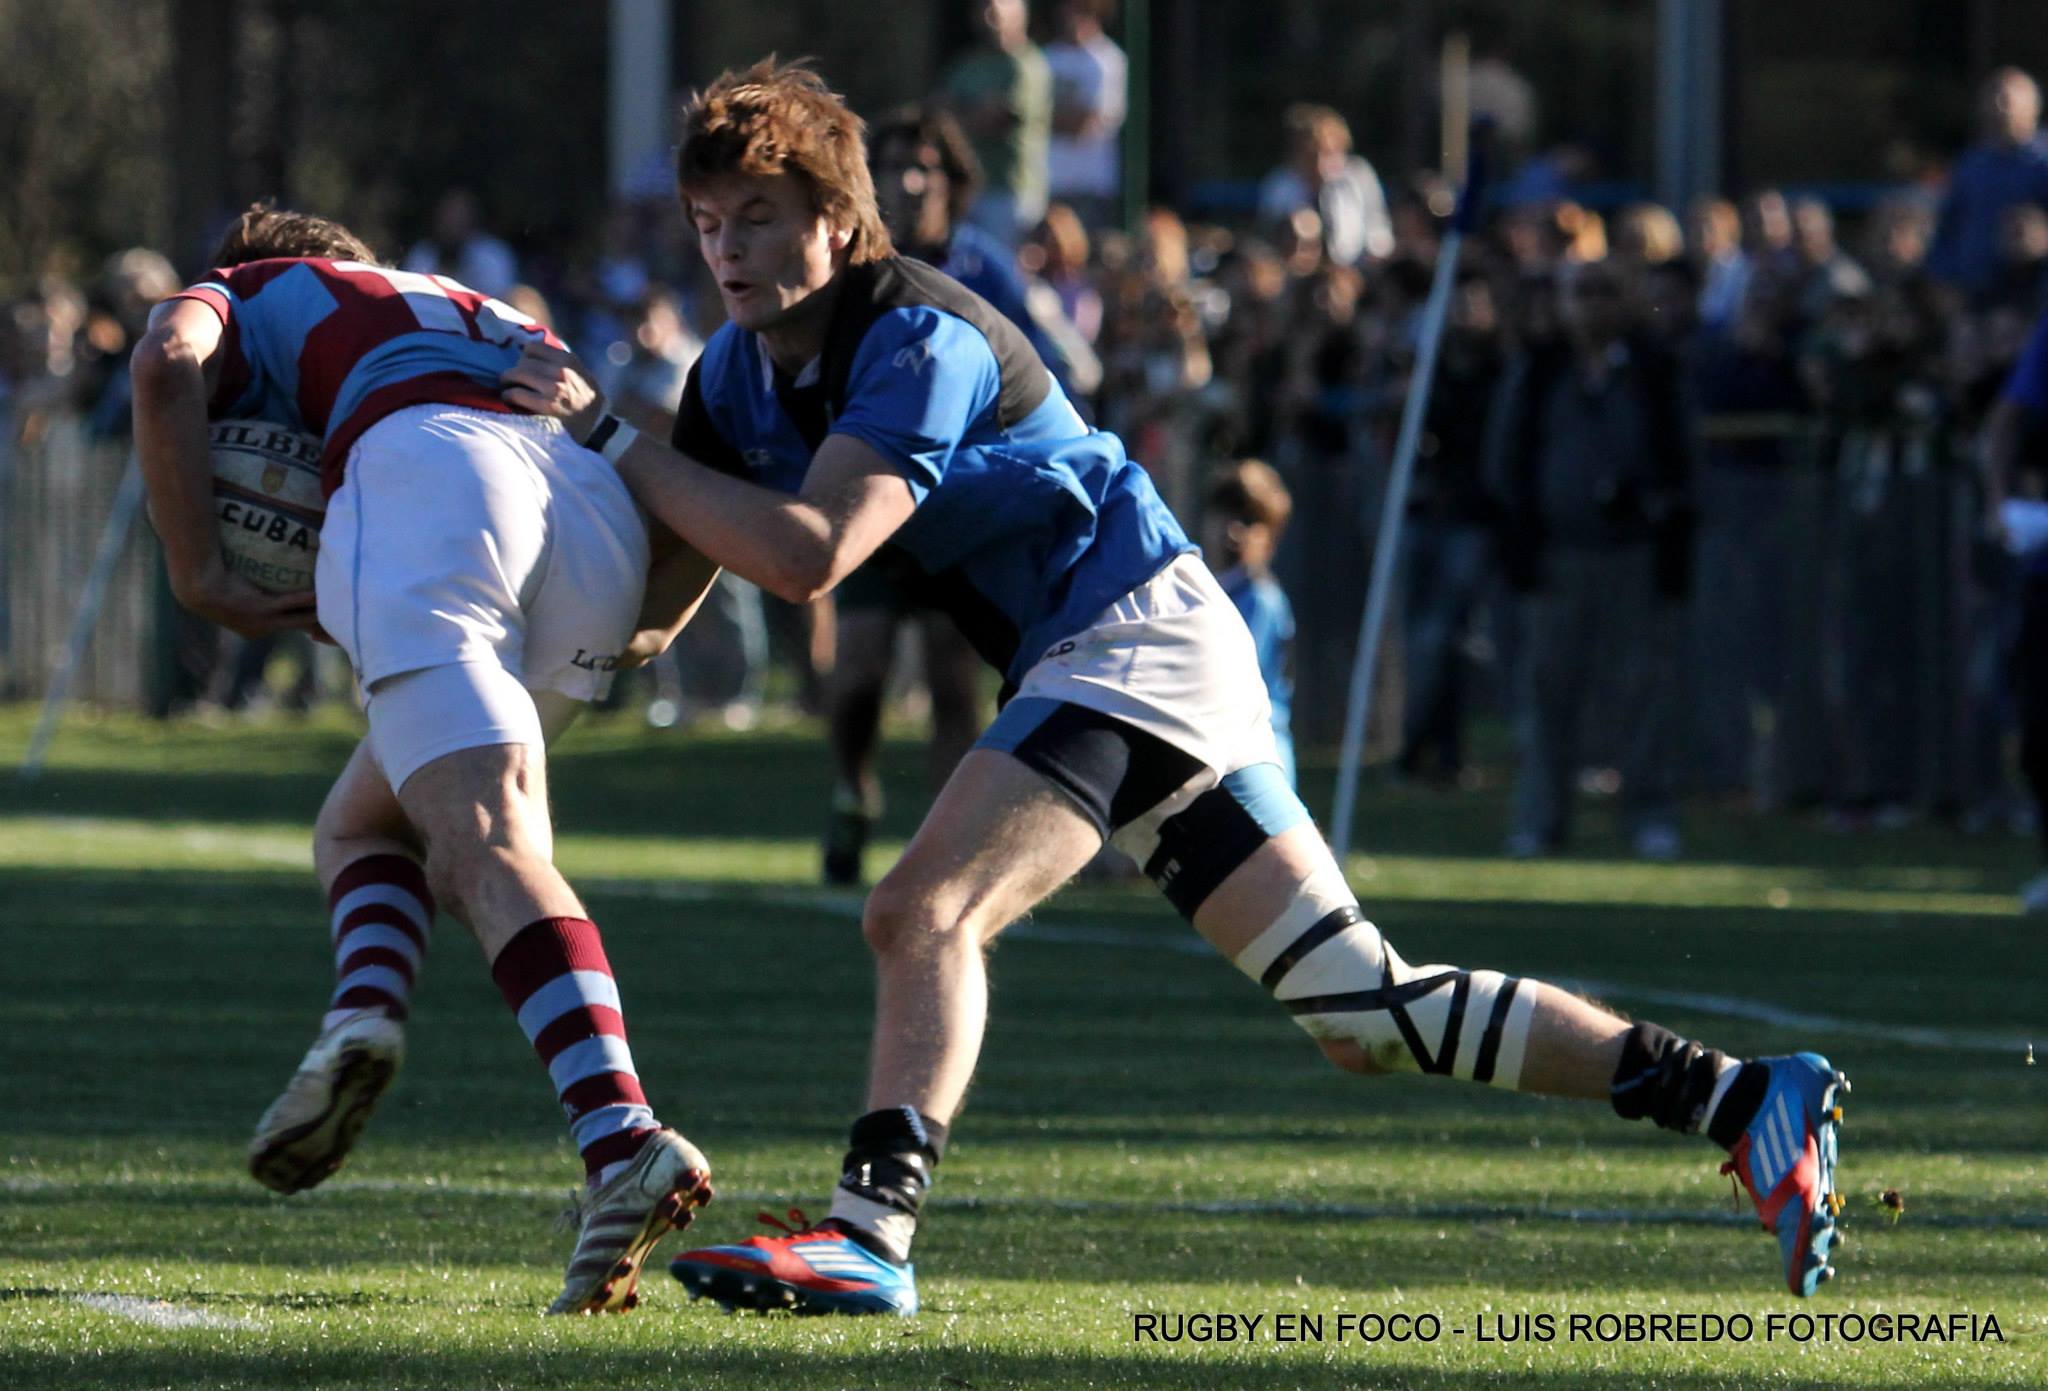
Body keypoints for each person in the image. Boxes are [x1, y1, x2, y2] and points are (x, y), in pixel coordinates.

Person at [503, 58, 1850, 1316]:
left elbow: (808, 554)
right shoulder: (735, 369)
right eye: (706, 221)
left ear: (841, 223)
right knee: (1366, 1012)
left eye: (757, 215)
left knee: (925, 907)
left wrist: (613, 430)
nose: (726, 248)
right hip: (1127, 651)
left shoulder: (919, 333)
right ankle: (1740, 1097)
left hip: (1131, 627)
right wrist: (563, 643)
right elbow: (681, 561)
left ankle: (872, 1228)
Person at [130, 204, 716, 1315]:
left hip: (428, 482)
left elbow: (167, 365)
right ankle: (359, 1018)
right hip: (593, 514)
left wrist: (198, 569)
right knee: (369, 821)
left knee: (486, 836)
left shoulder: (254, 285)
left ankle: (622, 1136)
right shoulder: (478, 305)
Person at [1204, 460, 1296, 786]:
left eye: (1248, 520)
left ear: (1270, 536)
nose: (1234, 530)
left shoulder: (1260, 599)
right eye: (1226, 514)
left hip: (1255, 752)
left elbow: (1233, 680)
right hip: (1222, 748)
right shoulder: (1208, 586)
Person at [1927, 68, 2048, 305]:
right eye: (1991, 99)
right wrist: (1943, 278)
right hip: (1973, 303)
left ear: (2034, 106)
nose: (1998, 108)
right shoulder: (1971, 165)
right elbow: (1949, 226)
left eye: (2006, 100)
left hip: (2031, 305)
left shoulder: (2043, 164)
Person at [937, 0, 1052, 248]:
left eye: (997, 10)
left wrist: (962, 114)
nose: (990, 18)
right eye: (985, 10)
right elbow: (940, 113)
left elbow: (997, 118)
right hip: (972, 189)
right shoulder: (970, 64)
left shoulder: (1026, 65)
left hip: (1009, 192)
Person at [1256, 103, 1394, 268]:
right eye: (1311, 155)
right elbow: (1270, 242)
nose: (1321, 163)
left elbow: (1378, 230)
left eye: (1329, 153)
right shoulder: (1279, 186)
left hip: (1359, 272)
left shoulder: (1359, 176)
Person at [1042, 0, 1127, 232]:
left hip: (1090, 185)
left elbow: (1085, 124)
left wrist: (1040, 119)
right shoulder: (1047, 56)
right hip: (1048, 182)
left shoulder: (1108, 60)